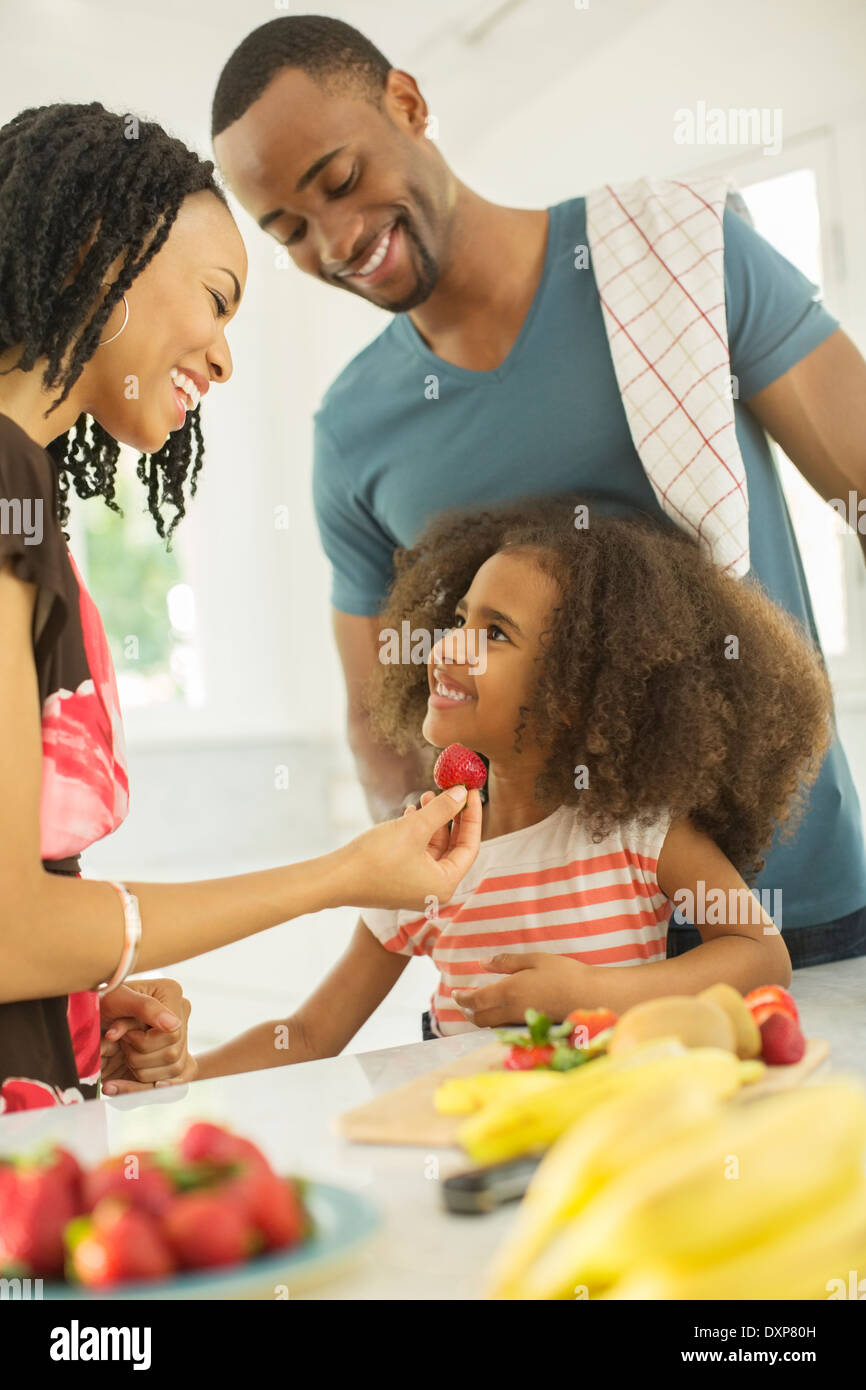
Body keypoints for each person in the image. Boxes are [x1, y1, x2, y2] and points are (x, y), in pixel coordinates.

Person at [210, 14, 866, 969]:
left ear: (408, 101)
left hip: (789, 899)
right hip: (545, 950)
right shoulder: (354, 432)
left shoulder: (675, 258)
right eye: (289, 232)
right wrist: (437, 915)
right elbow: (380, 721)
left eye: (341, 181)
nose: (338, 240)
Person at [0, 102, 481, 1113]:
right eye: (215, 301)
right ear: (98, 248)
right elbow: (7, 929)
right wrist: (344, 873)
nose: (222, 359)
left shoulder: (28, 488)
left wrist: (78, 1007)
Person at [190, 494, 833, 1076]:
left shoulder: (639, 832)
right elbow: (308, 1034)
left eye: (494, 633)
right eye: (461, 619)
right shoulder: (421, 857)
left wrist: (589, 996)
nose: (446, 649)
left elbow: (759, 954)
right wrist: (182, 1079)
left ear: (574, 695)